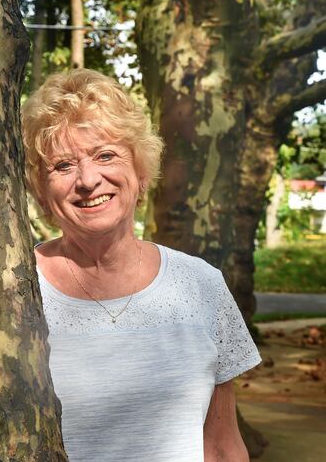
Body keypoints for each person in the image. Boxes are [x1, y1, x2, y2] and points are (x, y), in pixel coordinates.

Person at [22, 69, 261, 461]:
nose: (87, 180)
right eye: (63, 165)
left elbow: (221, 446)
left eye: (106, 155)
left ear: (141, 170)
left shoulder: (201, 285)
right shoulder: (14, 289)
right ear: (43, 193)